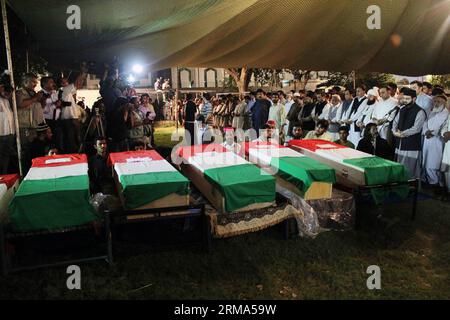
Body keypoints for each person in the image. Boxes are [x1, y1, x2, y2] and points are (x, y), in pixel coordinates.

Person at [392, 87, 427, 179]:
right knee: (399, 168)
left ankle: (411, 190)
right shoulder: (402, 109)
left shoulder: (420, 111)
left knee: (410, 170)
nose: (405, 101)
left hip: (411, 146)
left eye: (407, 99)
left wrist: (402, 133)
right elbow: (395, 122)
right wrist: (394, 131)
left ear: (414, 99)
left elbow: (416, 129)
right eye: (404, 98)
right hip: (399, 144)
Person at [16, 73, 46, 171]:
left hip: (34, 127)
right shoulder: (19, 93)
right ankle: (25, 172)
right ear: (25, 81)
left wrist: (42, 100)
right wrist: (35, 98)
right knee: (25, 152)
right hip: (23, 127)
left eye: (36, 82)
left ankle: (34, 170)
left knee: (34, 150)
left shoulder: (33, 93)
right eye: (33, 82)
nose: (35, 84)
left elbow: (40, 107)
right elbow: (20, 104)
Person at [58, 64, 88, 153]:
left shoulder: (67, 92)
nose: (67, 83)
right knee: (72, 141)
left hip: (71, 119)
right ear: (61, 84)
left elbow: (78, 85)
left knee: (76, 139)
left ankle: (77, 154)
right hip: (68, 119)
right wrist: (82, 73)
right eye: (64, 82)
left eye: (67, 81)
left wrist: (83, 76)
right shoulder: (63, 90)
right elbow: (76, 83)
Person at [422, 95, 449, 188]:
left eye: (439, 102)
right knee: (426, 162)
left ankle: (436, 183)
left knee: (434, 163)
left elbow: (443, 126)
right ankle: (430, 181)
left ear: (444, 103)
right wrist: (426, 131)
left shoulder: (447, 114)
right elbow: (425, 123)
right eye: (435, 101)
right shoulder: (431, 112)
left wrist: (433, 132)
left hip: (438, 141)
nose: (436, 103)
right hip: (427, 140)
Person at [0, 78, 15, 174]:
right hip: (0, 134)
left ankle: (4, 176)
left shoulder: (6, 101)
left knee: (6, 157)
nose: (8, 95)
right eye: (6, 93)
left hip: (9, 133)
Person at [440, 99, 450, 200]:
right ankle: (448, 191)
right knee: (447, 171)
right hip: (448, 146)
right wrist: (444, 133)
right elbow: (445, 126)